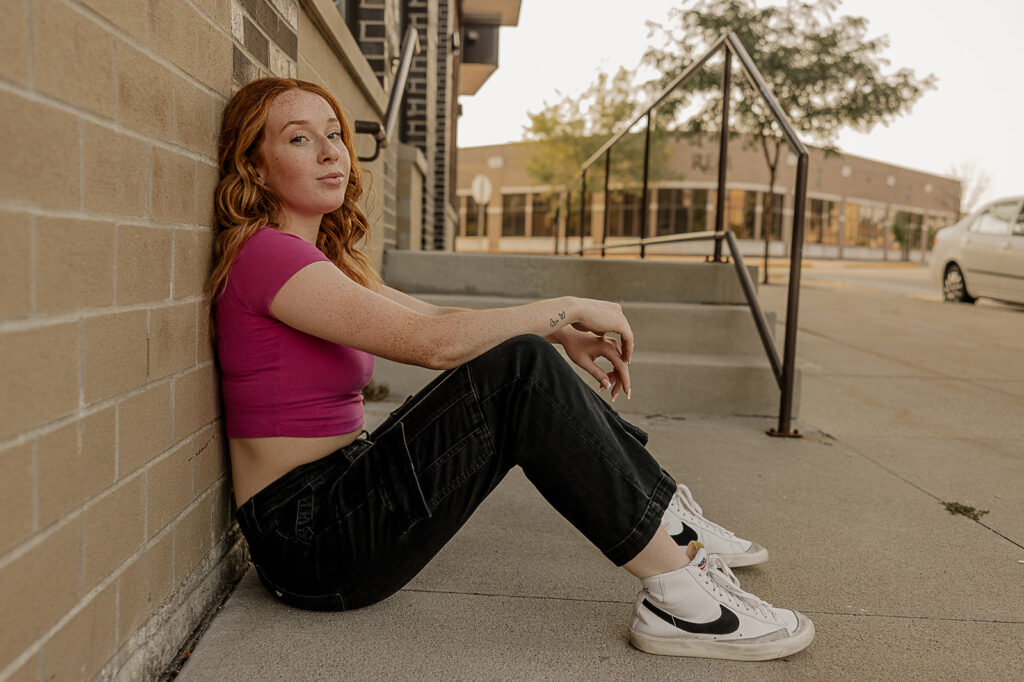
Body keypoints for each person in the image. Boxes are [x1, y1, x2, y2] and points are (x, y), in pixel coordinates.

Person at [207, 77, 814, 662]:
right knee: (519, 368)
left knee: (524, 358)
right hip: (309, 541)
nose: (328, 152)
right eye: (298, 138)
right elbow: (433, 344)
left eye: (334, 134)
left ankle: (671, 524)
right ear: (255, 168)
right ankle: (684, 599)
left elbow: (440, 315)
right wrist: (567, 306)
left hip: (344, 489)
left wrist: (553, 330)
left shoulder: (323, 262)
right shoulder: (268, 255)